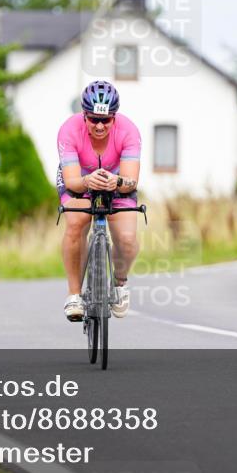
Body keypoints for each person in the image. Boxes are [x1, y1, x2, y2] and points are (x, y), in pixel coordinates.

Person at [56, 80, 141, 322]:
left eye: (107, 120)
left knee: (126, 238)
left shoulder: (129, 131)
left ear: (115, 117)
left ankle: (120, 282)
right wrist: (87, 182)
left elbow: (131, 181)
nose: (100, 126)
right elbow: (72, 181)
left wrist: (116, 182)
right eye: (94, 119)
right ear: (84, 115)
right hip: (80, 180)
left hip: (116, 180)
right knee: (76, 223)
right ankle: (74, 295)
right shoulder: (69, 130)